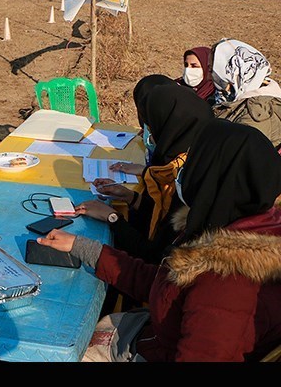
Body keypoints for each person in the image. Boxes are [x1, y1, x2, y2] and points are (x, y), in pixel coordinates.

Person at [39, 118, 281, 362]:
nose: (182, 172)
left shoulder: (224, 284)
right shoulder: (237, 227)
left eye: (194, 163)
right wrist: (84, 247)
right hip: (154, 332)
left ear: (213, 178)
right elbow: (163, 284)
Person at [86, 84, 215, 262]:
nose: (147, 134)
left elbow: (152, 255)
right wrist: (130, 197)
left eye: (153, 127)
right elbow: (163, 218)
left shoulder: (186, 182)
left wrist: (112, 217)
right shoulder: (187, 165)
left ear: (171, 129)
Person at [210, 38, 281, 150]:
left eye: (212, 71)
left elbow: (238, 156)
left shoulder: (257, 114)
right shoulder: (235, 100)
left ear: (232, 70)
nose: (211, 77)